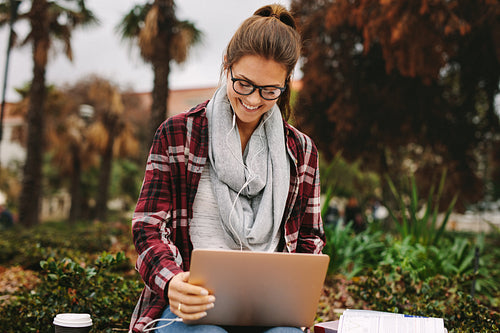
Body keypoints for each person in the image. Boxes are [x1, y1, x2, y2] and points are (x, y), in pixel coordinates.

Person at [129, 4, 325, 333]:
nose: (253, 100)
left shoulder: (302, 151)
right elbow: (148, 229)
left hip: (270, 313)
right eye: (243, 83)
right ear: (227, 65)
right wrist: (172, 282)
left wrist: (296, 295)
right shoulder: (178, 133)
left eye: (270, 90)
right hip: (190, 308)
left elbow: (311, 238)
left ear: (286, 84)